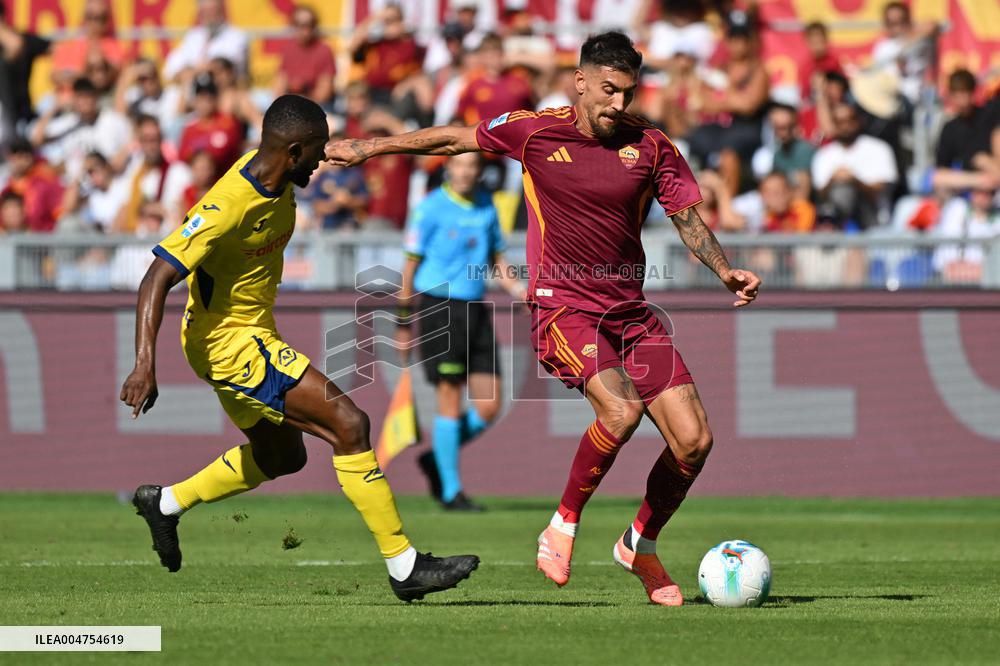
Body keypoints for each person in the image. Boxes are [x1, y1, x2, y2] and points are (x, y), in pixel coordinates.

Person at [326, 31, 761, 606]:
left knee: (694, 441)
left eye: (629, 94)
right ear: (580, 81)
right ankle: (563, 524)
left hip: (631, 313)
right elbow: (456, 140)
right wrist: (370, 147)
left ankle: (640, 544)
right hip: (563, 308)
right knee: (622, 408)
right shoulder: (534, 130)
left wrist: (724, 269)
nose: (619, 105)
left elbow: (687, 217)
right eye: (609, 91)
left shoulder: (652, 146)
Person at [119, 94, 478, 601]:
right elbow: (156, 276)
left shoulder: (278, 174)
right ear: (292, 151)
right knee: (349, 423)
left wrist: (367, 150)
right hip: (230, 342)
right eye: (315, 151)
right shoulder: (227, 205)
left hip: (248, 332)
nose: (320, 159)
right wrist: (143, 365)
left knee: (283, 456)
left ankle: (166, 504)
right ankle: (405, 565)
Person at [398, 152, 526, 511]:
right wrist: (403, 321)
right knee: (450, 400)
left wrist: (520, 291)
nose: (467, 171)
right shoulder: (431, 208)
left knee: (489, 404)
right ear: (448, 168)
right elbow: (409, 268)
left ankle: (438, 457)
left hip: (475, 311)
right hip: (440, 310)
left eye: (473, 166)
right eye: (460, 165)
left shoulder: (486, 204)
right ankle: (452, 490)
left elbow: (497, 262)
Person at [812, 102, 898, 229]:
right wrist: (833, 179)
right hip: (835, 221)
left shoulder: (879, 149)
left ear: (859, 121)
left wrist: (854, 180)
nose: (846, 126)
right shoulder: (823, 155)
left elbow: (882, 190)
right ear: (834, 124)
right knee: (841, 190)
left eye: (850, 120)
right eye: (840, 122)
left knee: (846, 189)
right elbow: (819, 195)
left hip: (873, 219)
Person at [162, 0, 249, 82]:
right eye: (205, 12)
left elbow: (225, 71)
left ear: (221, 10)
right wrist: (197, 71)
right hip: (195, 93)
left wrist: (192, 71)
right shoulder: (193, 36)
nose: (209, 16)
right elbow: (170, 70)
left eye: (212, 11)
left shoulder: (237, 37)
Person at [177, 72, 244, 179]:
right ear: (195, 101)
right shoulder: (189, 128)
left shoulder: (228, 123)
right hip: (196, 185)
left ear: (216, 99)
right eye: (201, 97)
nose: (205, 102)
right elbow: (182, 157)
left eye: (209, 98)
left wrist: (201, 159)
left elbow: (224, 153)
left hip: (223, 180)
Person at [274, 5, 336, 106]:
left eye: (308, 25)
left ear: (314, 26)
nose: (303, 29)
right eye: (298, 24)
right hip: (290, 106)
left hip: (317, 107)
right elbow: (279, 85)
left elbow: (324, 93)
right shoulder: (288, 49)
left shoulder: (324, 50)